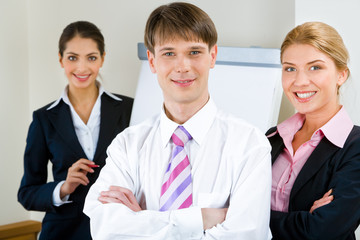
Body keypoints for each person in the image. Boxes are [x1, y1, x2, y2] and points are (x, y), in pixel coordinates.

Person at [84, 2, 272, 239]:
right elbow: (106, 230)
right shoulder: (127, 145)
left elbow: (246, 235)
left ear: (212, 56)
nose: (182, 67)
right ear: (152, 61)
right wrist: (202, 218)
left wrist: (141, 220)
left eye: (194, 52)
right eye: (169, 53)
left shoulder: (249, 144)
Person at [17, 21, 133, 240]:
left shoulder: (129, 109)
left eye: (91, 57)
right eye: (72, 58)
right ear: (61, 59)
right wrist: (63, 188)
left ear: (102, 59)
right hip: (62, 233)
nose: (81, 68)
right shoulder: (43, 119)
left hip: (116, 230)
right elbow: (27, 193)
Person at [267, 21, 360, 240]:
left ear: (341, 75)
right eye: (290, 69)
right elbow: (236, 211)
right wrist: (303, 220)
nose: (299, 81)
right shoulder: (272, 137)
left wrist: (254, 218)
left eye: (315, 67)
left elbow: (323, 231)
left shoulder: (355, 147)